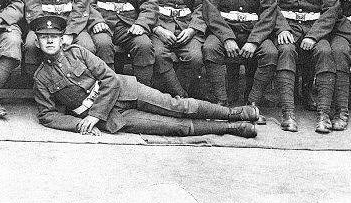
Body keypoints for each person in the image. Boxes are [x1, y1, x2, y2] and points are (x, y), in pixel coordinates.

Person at [31, 15, 258, 138]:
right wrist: (80, 123)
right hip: (113, 116)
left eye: (54, 36)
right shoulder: (41, 78)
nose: (50, 41)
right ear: (37, 42)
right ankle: (231, 128)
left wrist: (95, 113)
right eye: (44, 37)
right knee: (175, 127)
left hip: (124, 90)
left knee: (177, 105)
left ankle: (234, 113)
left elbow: (109, 79)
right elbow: (47, 115)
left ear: (63, 39)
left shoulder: (78, 52)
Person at [202, 0, 279, 122]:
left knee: (270, 52)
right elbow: (210, 9)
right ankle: (221, 103)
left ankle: (253, 102)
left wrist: (254, 41)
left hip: (253, 31)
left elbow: (269, 10)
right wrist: (227, 38)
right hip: (226, 30)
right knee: (210, 47)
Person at [272, 0, 342, 133]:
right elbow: (271, 6)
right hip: (289, 28)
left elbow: (331, 11)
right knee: (285, 50)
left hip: (315, 29)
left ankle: (323, 114)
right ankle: (288, 112)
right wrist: (282, 28)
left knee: (325, 51)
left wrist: (313, 35)